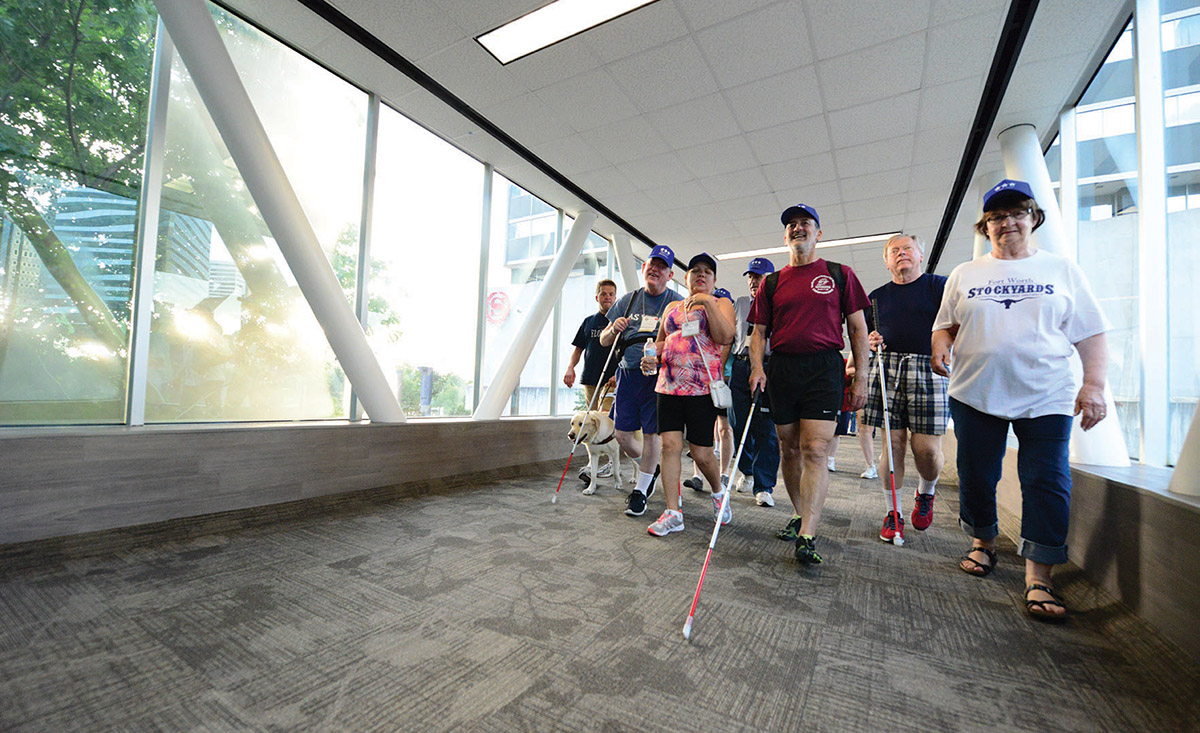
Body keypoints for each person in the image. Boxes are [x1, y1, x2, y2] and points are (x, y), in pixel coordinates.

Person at [932, 179, 1109, 621]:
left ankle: (1039, 576)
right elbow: (945, 324)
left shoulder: (1061, 270)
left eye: (1016, 214)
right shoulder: (965, 274)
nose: (1006, 223)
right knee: (976, 474)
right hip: (976, 391)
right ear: (985, 226)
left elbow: (1091, 332)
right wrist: (939, 343)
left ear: (1034, 218)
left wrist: (1093, 385)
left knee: (1046, 480)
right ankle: (984, 541)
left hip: (1046, 394)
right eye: (996, 217)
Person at [749, 204, 871, 564]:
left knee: (815, 449)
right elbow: (758, 333)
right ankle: (800, 514)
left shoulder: (839, 273)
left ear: (820, 233)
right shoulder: (771, 283)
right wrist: (757, 367)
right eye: (791, 225)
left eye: (805, 223)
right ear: (785, 236)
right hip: (783, 369)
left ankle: (808, 534)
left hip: (824, 368)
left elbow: (858, 329)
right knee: (788, 449)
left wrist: (860, 375)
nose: (797, 228)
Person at [863, 234, 949, 544]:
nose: (901, 254)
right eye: (894, 251)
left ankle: (926, 492)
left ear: (920, 256)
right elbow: (864, 337)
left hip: (930, 367)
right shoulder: (874, 298)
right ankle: (893, 512)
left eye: (907, 248)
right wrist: (869, 342)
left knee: (926, 450)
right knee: (893, 444)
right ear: (886, 262)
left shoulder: (940, 286)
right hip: (887, 368)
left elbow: (959, 325)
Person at [643, 253, 736, 536]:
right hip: (668, 386)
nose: (701, 275)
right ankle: (673, 512)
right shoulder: (673, 306)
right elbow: (661, 342)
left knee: (701, 453)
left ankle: (719, 493)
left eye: (707, 272)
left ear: (715, 280)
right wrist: (650, 357)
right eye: (695, 271)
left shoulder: (721, 303)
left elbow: (725, 336)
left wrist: (707, 301)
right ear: (685, 277)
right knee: (669, 447)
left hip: (701, 387)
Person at [599, 245, 683, 518]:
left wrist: (660, 356)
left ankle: (641, 490)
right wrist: (613, 328)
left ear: (670, 274)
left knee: (651, 435)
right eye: (651, 265)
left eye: (661, 267)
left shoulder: (677, 302)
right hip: (627, 373)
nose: (655, 270)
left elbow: (685, 343)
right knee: (622, 434)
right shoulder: (630, 299)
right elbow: (604, 341)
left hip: (658, 376)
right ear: (644, 269)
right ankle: (651, 469)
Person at [728, 258, 780, 508]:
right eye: (750, 276)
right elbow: (730, 337)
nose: (753, 281)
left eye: (758, 276)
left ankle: (764, 485)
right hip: (739, 366)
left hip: (767, 366)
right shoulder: (738, 304)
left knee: (765, 427)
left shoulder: (778, 303)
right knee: (737, 424)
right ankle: (747, 469)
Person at [564, 279, 618, 479]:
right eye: (604, 294)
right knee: (589, 424)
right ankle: (592, 464)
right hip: (590, 379)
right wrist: (570, 367)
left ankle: (611, 463)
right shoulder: (588, 322)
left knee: (606, 422)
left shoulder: (619, 322)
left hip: (611, 381)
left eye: (611, 294)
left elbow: (626, 351)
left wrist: (617, 373)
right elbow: (578, 349)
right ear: (597, 297)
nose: (608, 297)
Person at [683, 287, 735, 492]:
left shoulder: (729, 326)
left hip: (725, 379)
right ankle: (697, 475)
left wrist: (720, 371)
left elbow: (728, 344)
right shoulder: (701, 322)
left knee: (724, 428)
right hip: (702, 380)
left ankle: (723, 473)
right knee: (703, 430)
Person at [827, 359, 857, 472]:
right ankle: (826, 458)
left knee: (836, 433)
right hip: (829, 400)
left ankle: (830, 459)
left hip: (843, 403)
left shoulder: (846, 363)